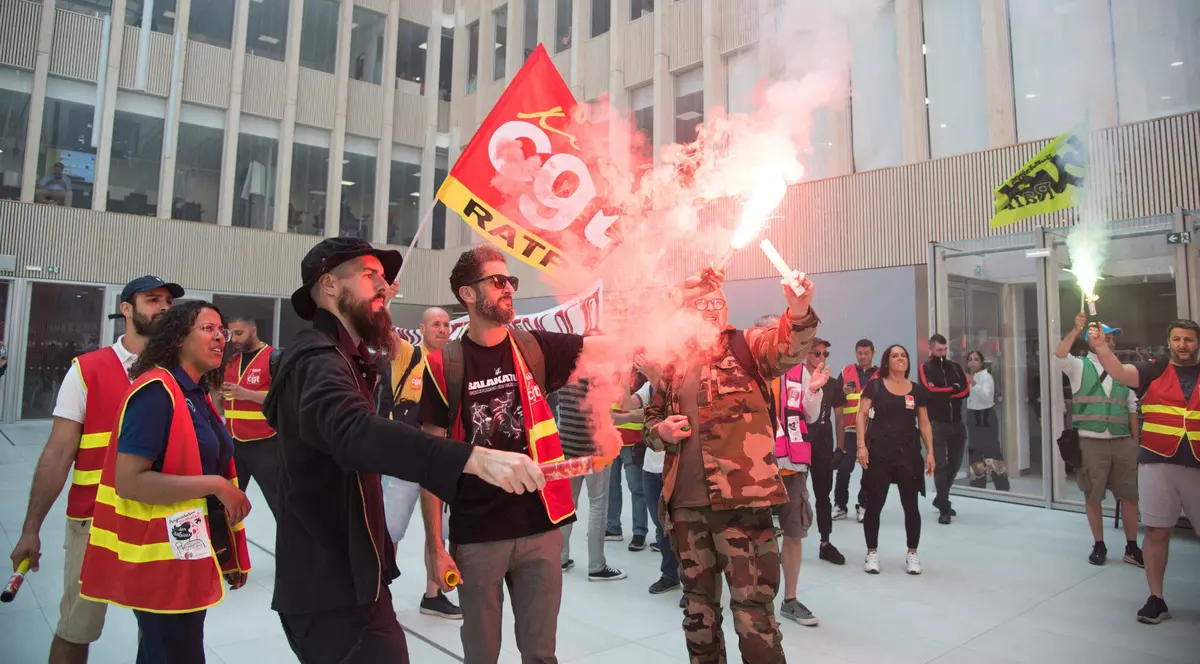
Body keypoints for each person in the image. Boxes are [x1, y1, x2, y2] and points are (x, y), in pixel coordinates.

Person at [263, 237, 544, 664]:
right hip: (332, 595)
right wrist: (473, 457)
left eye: (386, 279)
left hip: (350, 582)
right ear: (330, 285)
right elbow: (353, 431)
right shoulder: (318, 359)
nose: (386, 287)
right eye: (370, 275)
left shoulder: (342, 356)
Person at [420, 245, 609, 664]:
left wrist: (671, 317)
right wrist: (434, 544)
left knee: (541, 655)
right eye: (498, 281)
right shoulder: (442, 364)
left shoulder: (534, 347)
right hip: (476, 534)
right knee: (481, 654)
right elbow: (430, 462)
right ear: (468, 294)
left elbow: (607, 349)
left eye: (511, 282)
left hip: (541, 528)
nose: (509, 289)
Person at [645, 267, 819, 664]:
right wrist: (661, 431)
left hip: (743, 506)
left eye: (717, 302)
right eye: (701, 303)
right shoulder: (673, 363)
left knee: (754, 616)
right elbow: (651, 422)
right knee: (698, 616)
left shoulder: (748, 345)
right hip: (686, 511)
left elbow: (787, 347)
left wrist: (800, 309)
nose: (710, 309)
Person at [8, 275, 180, 664]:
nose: (164, 307)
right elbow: (57, 453)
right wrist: (31, 529)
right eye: (153, 300)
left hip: (159, 524)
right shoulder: (88, 370)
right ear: (126, 310)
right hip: (94, 522)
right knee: (75, 630)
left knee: (161, 636)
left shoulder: (180, 373)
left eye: (168, 301)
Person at [77, 300, 251, 664]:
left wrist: (226, 551)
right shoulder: (156, 392)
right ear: (177, 339)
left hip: (187, 551)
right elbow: (130, 482)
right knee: (174, 652)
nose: (220, 336)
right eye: (208, 328)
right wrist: (217, 485)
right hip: (160, 559)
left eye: (222, 330)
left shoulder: (197, 393)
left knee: (167, 651)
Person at [1087, 318, 1199, 624]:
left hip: (1197, 467)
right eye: (1176, 339)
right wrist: (1100, 348)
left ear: (1196, 343)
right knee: (1157, 532)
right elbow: (1121, 373)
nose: (1182, 345)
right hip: (1157, 464)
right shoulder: (1155, 369)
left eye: (1188, 339)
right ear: (1169, 342)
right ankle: (1156, 598)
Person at [377, 304, 463, 619]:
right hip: (403, 459)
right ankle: (380, 596)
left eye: (446, 325)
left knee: (437, 533)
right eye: (435, 324)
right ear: (422, 329)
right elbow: (383, 331)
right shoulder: (406, 355)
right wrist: (381, 299)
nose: (442, 329)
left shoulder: (454, 365)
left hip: (438, 461)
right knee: (390, 530)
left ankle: (434, 595)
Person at [1054, 313, 1142, 566]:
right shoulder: (1079, 365)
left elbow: (1132, 407)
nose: (1109, 340)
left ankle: (1132, 547)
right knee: (1093, 495)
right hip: (1090, 441)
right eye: (1104, 336)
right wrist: (1074, 330)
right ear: (1090, 340)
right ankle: (1099, 544)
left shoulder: (1122, 370)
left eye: (1112, 337)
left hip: (1123, 441)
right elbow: (1060, 355)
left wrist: (1135, 443)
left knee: (1129, 495)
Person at [857, 344, 936, 575]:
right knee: (875, 506)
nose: (900, 359)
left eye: (903, 355)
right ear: (887, 361)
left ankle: (912, 553)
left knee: (911, 507)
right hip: (879, 454)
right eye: (895, 356)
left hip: (908, 455)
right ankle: (872, 552)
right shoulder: (875, 386)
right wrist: (861, 446)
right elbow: (861, 415)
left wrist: (930, 451)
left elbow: (924, 423)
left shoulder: (917, 390)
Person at [771, 334, 831, 627]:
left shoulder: (799, 372)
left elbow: (810, 413)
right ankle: (753, 602)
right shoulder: (750, 371)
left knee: (793, 531)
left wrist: (815, 391)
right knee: (752, 535)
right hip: (755, 464)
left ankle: (790, 600)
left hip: (792, 464)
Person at [556, 370, 627, 581]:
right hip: (595, 450)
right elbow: (611, 411)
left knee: (567, 506)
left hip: (567, 447)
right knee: (597, 505)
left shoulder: (565, 374)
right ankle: (597, 566)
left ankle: (561, 557)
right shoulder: (599, 376)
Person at [222, 315, 282, 519]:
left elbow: (283, 399)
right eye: (231, 334)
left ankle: (290, 549)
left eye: (239, 333)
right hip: (233, 443)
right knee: (226, 506)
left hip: (265, 444)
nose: (235, 339)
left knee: (281, 507)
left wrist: (245, 394)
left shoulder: (273, 358)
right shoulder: (230, 360)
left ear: (253, 331)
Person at [919, 334, 970, 524]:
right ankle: (944, 508)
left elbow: (965, 390)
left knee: (955, 463)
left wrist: (947, 391)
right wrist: (952, 389)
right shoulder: (925, 368)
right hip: (937, 424)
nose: (942, 353)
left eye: (944, 349)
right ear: (930, 349)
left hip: (957, 422)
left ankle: (941, 498)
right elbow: (929, 391)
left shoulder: (955, 366)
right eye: (938, 350)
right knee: (940, 465)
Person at [835, 339, 877, 523]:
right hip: (850, 429)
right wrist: (842, 391)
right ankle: (840, 505)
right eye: (859, 353)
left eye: (866, 353)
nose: (862, 356)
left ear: (872, 353)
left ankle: (863, 505)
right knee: (844, 469)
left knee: (869, 471)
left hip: (872, 430)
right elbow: (835, 398)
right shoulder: (846, 372)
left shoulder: (880, 374)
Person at [965, 350, 1009, 491]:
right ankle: (977, 485)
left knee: (992, 451)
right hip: (973, 415)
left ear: (981, 362)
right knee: (974, 450)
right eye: (970, 359)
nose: (972, 362)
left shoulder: (986, 377)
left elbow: (986, 397)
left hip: (986, 416)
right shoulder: (970, 377)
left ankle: (1002, 486)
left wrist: (973, 384)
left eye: (976, 359)